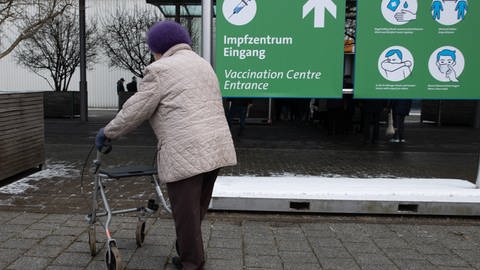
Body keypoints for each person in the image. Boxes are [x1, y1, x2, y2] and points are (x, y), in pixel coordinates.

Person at [95, 21, 237, 270]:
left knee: (185, 214)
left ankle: (192, 263)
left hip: (187, 152)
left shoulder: (160, 70)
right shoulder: (203, 65)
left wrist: (108, 132)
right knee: (196, 210)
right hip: (217, 147)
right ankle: (187, 253)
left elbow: (134, 111)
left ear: (159, 47)